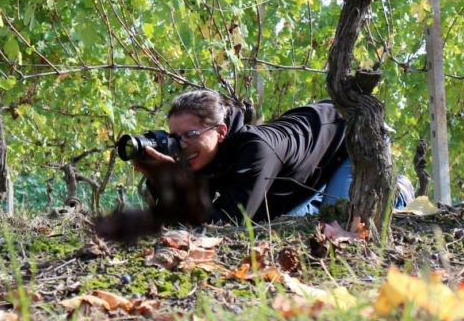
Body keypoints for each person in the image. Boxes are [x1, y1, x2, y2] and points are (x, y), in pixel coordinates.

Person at [133, 89, 410, 223]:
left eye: (190, 135)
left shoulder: (257, 149)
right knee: (287, 220)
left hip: (352, 136)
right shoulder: (205, 155)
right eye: (174, 137)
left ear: (220, 131)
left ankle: (397, 191)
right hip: (313, 163)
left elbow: (229, 222)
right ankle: (326, 192)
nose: (181, 145)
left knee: (338, 221)